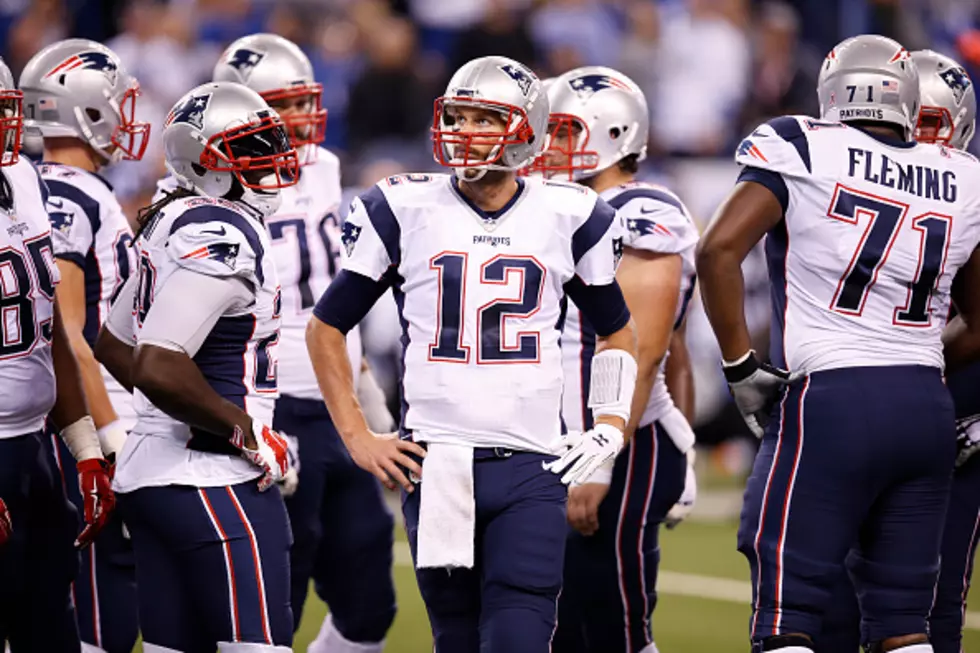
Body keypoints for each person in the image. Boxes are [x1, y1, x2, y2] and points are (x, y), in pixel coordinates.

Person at [306, 55, 637, 653]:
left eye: (484, 118)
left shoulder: (572, 215)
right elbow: (327, 326)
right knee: (455, 639)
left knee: (518, 636)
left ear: (527, 128)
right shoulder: (402, 208)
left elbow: (617, 330)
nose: (465, 131)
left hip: (534, 463)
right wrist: (356, 434)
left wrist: (610, 424)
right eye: (457, 115)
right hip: (437, 464)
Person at [696, 34, 980, 653]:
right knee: (907, 624)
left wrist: (743, 368)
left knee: (786, 614)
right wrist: (915, 359)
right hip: (924, 405)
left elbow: (718, 251)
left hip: (832, 396)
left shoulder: (800, 143)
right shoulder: (964, 175)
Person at [206, 34, 398, 651]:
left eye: (301, 103)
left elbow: (338, 297)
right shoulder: (213, 187)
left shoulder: (323, 166)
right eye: (280, 106)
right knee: (271, 608)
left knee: (369, 604)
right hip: (269, 402)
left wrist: (370, 398)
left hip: (335, 400)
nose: (297, 119)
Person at [93, 81, 295, 652]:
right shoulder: (223, 229)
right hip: (211, 482)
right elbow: (156, 364)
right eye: (249, 149)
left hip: (150, 479)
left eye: (267, 142)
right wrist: (244, 428)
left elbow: (114, 344)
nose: (269, 159)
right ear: (206, 162)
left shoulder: (175, 216)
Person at [528, 65, 699, 653]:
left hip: (616, 447)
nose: (546, 144)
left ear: (616, 133)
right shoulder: (549, 206)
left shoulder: (643, 209)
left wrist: (598, 461)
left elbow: (649, 348)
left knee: (613, 625)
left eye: (564, 131)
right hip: (561, 438)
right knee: (560, 624)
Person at [19, 38, 150, 653]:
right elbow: (64, 329)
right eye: (115, 103)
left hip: (48, 418)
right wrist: (107, 436)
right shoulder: (70, 192)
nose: (125, 117)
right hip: (74, 424)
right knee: (94, 618)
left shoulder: (28, 184)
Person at [0, 55, 115, 651]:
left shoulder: (21, 176)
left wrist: (87, 450)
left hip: (36, 449)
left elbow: (50, 330)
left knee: (51, 628)